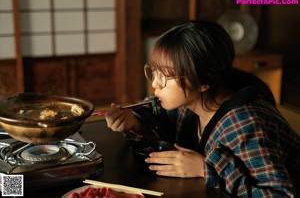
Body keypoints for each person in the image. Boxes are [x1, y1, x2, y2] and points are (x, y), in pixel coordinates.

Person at [105, 20, 300, 197]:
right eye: (154, 71)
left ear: (204, 81)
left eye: (165, 75)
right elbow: (161, 114)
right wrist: (134, 122)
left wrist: (205, 168)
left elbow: (280, 194)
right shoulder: (191, 101)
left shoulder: (245, 124)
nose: (155, 83)